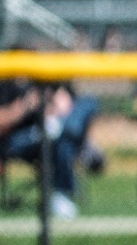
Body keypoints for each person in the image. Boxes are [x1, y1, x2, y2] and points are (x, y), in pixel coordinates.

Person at [0, 81, 97, 218]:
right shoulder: (6, 82)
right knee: (59, 134)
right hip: (18, 141)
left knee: (88, 103)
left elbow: (64, 105)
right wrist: (25, 106)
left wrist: (52, 106)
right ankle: (79, 143)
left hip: (50, 135)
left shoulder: (41, 78)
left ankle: (60, 194)